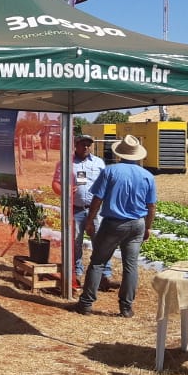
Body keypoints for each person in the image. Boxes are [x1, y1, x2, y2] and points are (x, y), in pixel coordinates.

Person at [73, 135, 157, 318]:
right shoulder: (147, 176)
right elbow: (151, 206)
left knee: (97, 262)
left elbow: (97, 199)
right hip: (137, 225)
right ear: (137, 155)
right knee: (131, 265)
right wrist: (147, 227)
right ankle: (126, 307)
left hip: (113, 223)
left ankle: (86, 303)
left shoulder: (110, 171)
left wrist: (90, 221)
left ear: (120, 153)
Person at [51, 134, 113, 289]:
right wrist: (64, 190)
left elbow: (106, 184)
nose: (86, 147)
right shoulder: (66, 163)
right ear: (76, 145)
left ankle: (105, 276)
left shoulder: (99, 162)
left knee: (100, 242)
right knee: (76, 243)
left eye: (88, 144)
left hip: (96, 211)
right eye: (82, 144)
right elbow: (55, 183)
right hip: (76, 209)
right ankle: (77, 273)